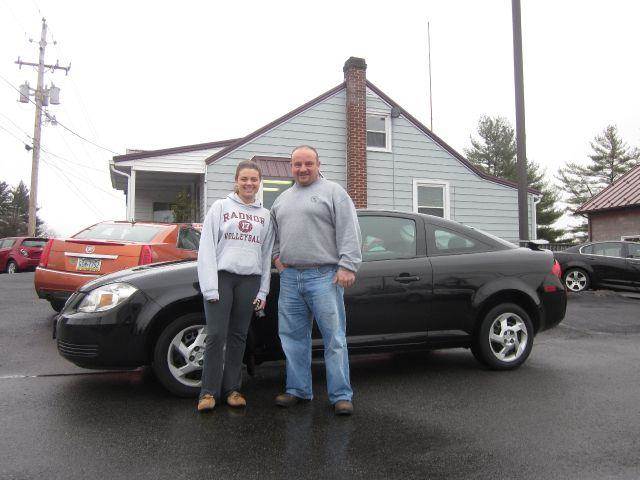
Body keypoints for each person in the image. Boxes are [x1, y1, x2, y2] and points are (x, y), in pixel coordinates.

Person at [270, 145, 362, 416]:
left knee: (334, 338)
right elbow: (274, 235)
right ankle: (298, 389)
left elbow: (349, 229)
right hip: (290, 278)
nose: (302, 169)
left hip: (325, 276)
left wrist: (347, 265)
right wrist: (277, 259)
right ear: (291, 167)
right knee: (292, 337)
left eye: (308, 163)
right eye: (297, 164)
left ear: (318, 164)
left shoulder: (334, 193)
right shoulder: (281, 199)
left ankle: (341, 395)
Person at [196, 160, 274, 412]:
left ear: (259, 182)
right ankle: (208, 392)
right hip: (222, 279)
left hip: (249, 280)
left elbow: (266, 255)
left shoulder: (265, 216)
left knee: (239, 336)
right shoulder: (220, 207)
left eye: (253, 179)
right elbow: (206, 248)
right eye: (244, 179)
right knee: (217, 335)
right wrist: (210, 287)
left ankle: (232, 389)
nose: (249, 184)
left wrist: (263, 290)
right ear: (236, 181)